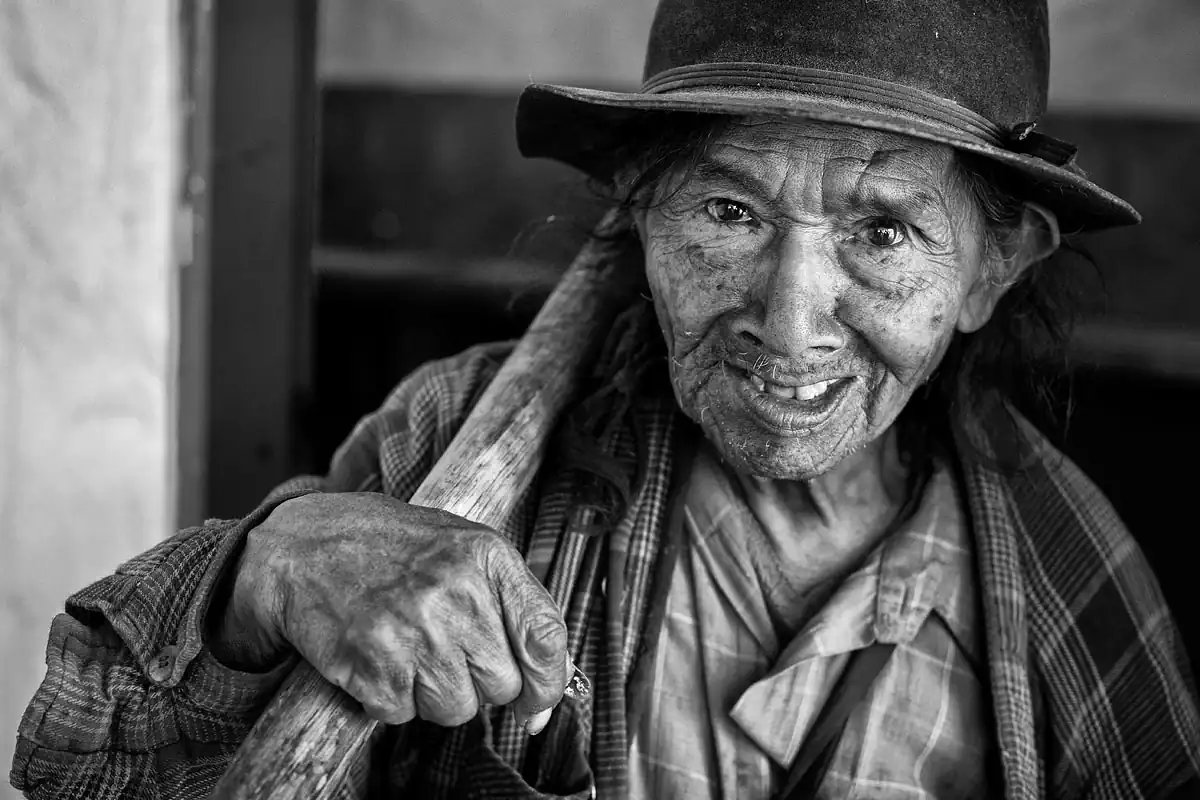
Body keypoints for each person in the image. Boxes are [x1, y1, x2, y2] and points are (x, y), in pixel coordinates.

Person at [11, 0, 1200, 797]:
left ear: (990, 269)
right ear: (639, 210)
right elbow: (73, 761)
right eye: (728, 212)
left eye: (884, 231)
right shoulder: (455, 447)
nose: (789, 322)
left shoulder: (1067, 583)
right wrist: (259, 573)